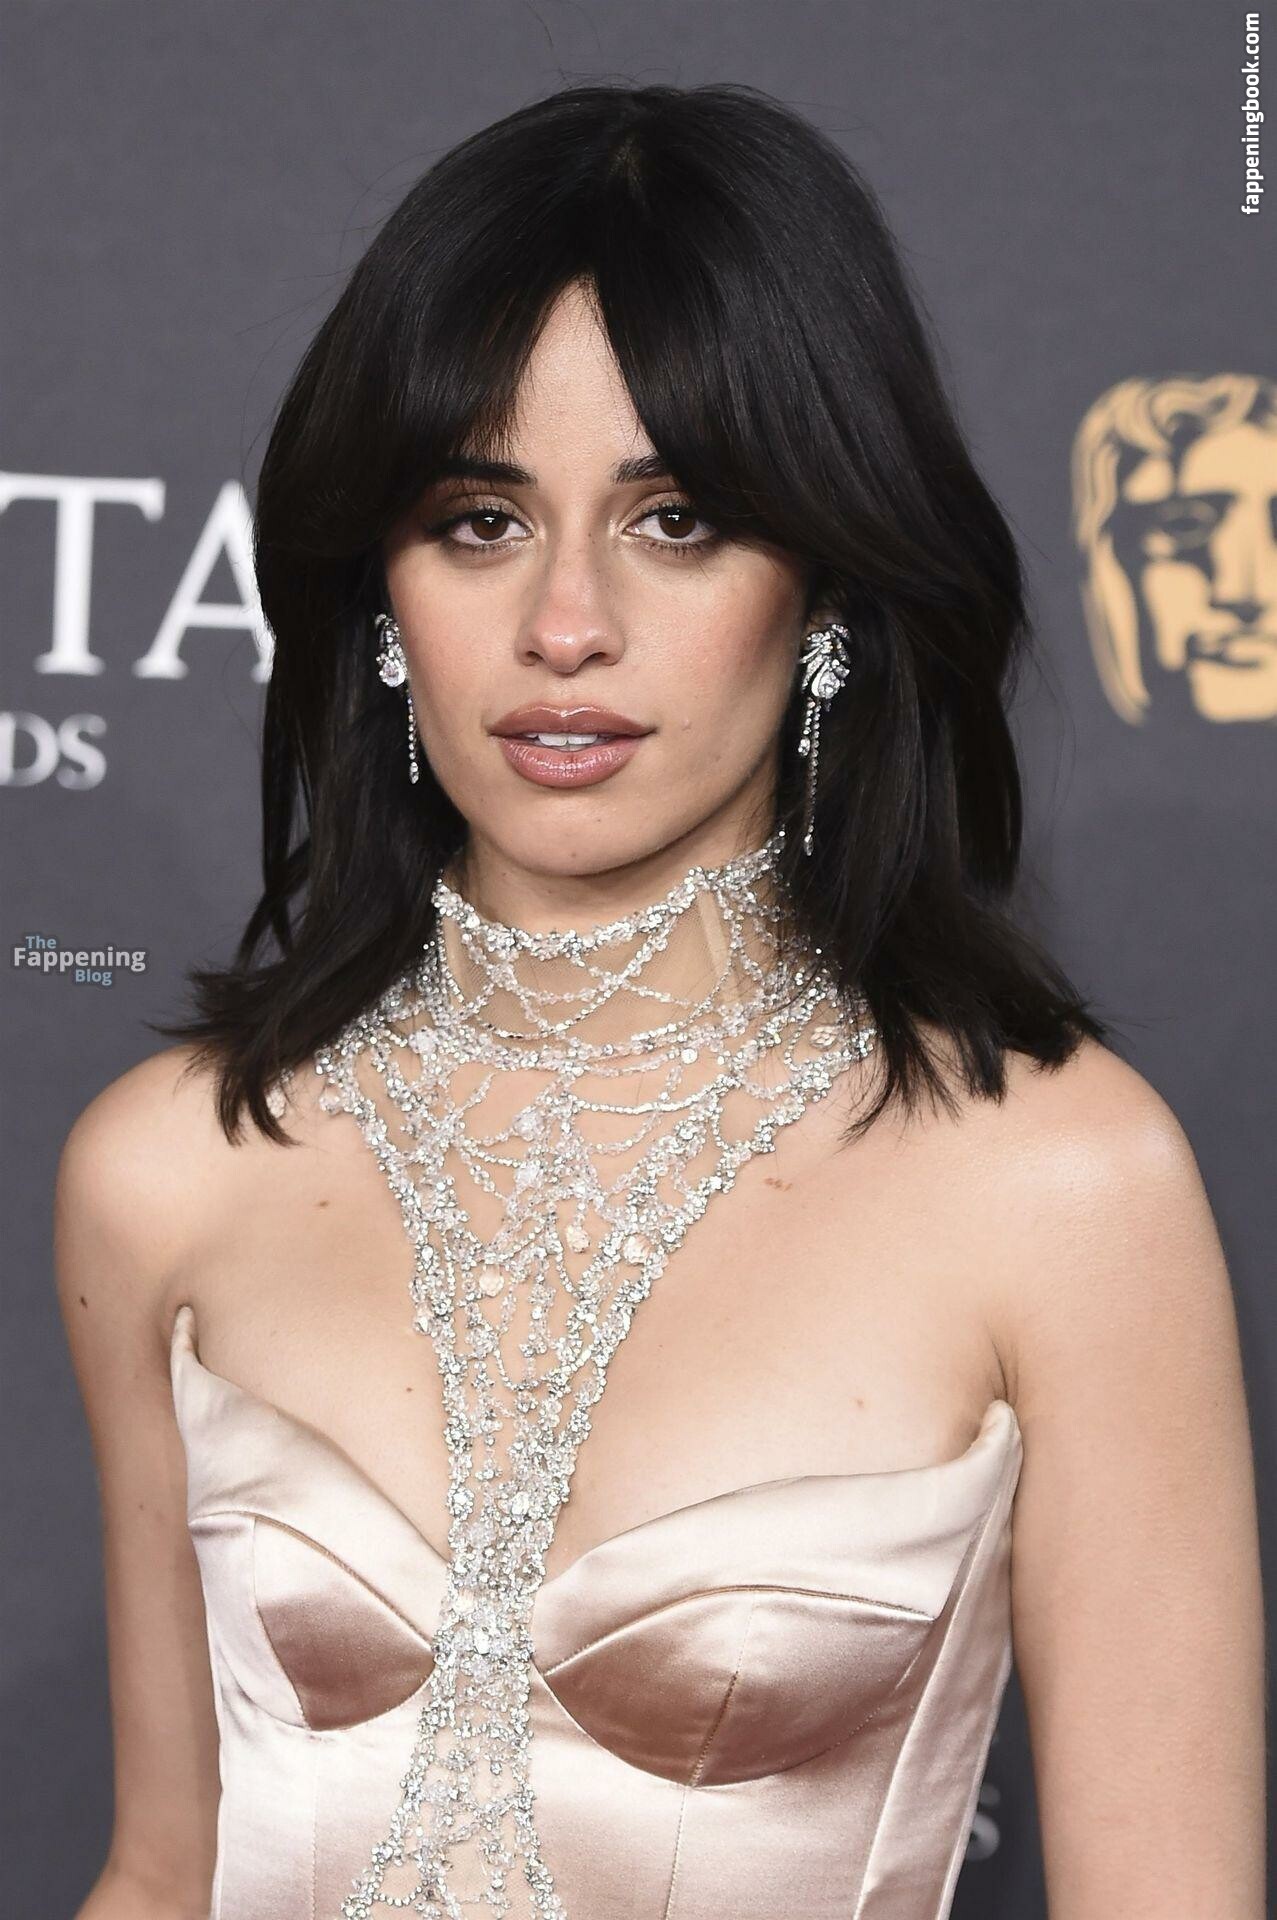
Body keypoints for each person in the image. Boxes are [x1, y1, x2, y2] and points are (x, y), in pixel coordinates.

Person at [56, 81, 1264, 1920]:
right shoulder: (169, 1169)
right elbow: (161, 1872)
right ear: (379, 593)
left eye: (677, 517)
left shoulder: (1061, 1183)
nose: (566, 623)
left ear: (824, 583)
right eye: (478, 520)